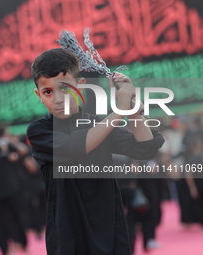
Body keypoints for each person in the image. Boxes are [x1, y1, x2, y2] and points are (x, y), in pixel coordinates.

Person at [27, 48, 165, 255]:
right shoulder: (39, 130)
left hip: (109, 229)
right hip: (68, 233)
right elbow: (76, 147)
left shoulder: (101, 124)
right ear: (39, 95)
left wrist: (132, 109)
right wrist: (120, 110)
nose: (57, 99)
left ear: (81, 86)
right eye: (48, 92)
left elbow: (144, 149)